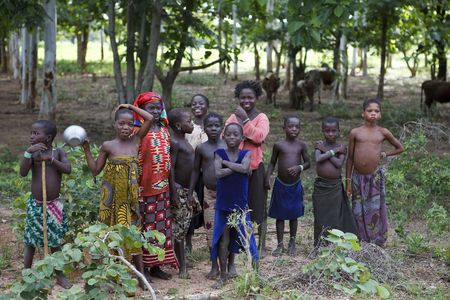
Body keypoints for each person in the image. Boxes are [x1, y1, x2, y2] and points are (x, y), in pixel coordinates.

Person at [82, 104, 153, 289]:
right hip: (111, 201)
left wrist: (130, 106)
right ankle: (113, 275)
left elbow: (151, 118)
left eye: (130, 124)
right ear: (114, 125)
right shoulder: (108, 146)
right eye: (121, 123)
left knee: (134, 234)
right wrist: (87, 149)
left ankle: (141, 276)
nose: (126, 127)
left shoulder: (136, 140)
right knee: (111, 235)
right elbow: (96, 170)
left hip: (130, 201)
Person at [20, 120, 72, 288]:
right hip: (36, 204)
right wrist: (28, 153)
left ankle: (59, 274)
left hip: (54, 206)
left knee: (55, 241)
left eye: (36, 133)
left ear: (48, 137)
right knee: (31, 241)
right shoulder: (32, 154)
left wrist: (51, 160)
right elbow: (22, 173)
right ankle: (26, 272)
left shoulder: (58, 152)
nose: (32, 136)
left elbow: (67, 169)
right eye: (32, 133)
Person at [132, 92, 178, 281]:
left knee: (161, 229)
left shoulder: (164, 130)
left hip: (163, 189)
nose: (156, 111)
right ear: (142, 110)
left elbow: (169, 163)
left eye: (159, 107)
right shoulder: (138, 133)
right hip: (144, 190)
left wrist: (172, 188)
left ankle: (157, 266)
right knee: (144, 228)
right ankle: (142, 269)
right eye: (151, 108)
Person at [346, 99, 404, 247]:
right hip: (357, 177)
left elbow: (400, 148)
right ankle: (360, 239)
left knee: (375, 208)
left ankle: (376, 240)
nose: (373, 113)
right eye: (369, 110)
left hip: (375, 177)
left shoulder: (383, 132)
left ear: (380, 114)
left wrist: (386, 154)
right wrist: (347, 182)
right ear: (362, 113)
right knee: (358, 208)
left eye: (376, 111)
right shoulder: (355, 133)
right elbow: (350, 158)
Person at [225, 80, 270, 253]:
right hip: (236, 170)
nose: (246, 101)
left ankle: (262, 245)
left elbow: (259, 137)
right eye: (243, 97)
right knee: (238, 207)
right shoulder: (232, 117)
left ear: (257, 98)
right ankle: (239, 242)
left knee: (258, 207)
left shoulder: (261, 117)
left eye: (250, 97)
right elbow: (226, 136)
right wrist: (243, 135)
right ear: (238, 98)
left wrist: (244, 121)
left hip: (255, 169)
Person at [212, 122, 259, 287]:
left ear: (242, 138)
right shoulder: (218, 153)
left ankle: (256, 274)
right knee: (223, 240)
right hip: (223, 204)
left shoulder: (246, 153)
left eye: (235, 135)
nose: (232, 137)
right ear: (223, 136)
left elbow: (246, 167)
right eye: (229, 134)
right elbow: (218, 173)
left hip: (240, 205)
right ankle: (223, 276)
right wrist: (238, 168)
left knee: (248, 238)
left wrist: (228, 164)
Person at [264, 115, 310, 256]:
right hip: (280, 184)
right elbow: (272, 162)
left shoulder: (301, 145)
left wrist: (299, 167)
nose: (294, 129)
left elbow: (308, 163)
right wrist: (268, 176)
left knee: (293, 215)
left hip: (295, 185)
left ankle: (292, 243)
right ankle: (279, 245)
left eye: (297, 127)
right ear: (284, 128)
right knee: (280, 216)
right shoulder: (279, 145)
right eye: (291, 126)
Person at [188, 112, 226, 279]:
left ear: (222, 127)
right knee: (210, 231)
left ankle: (228, 266)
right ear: (204, 128)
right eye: (210, 126)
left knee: (227, 231)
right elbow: (196, 170)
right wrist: (190, 192)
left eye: (217, 125)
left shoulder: (227, 146)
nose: (213, 128)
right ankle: (213, 266)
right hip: (208, 196)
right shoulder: (201, 148)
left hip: (227, 194)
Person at [312, 116, 358, 246]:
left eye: (333, 131)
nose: (330, 134)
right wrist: (333, 151)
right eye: (327, 131)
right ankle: (319, 244)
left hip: (335, 187)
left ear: (339, 131)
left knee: (335, 216)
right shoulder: (320, 146)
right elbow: (318, 159)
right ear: (322, 131)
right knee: (320, 216)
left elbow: (338, 163)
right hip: (321, 186)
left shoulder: (341, 147)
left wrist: (327, 151)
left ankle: (334, 244)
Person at [168, 108, 201, 279]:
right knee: (179, 230)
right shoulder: (175, 142)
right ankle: (182, 269)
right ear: (179, 125)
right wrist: (174, 192)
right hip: (179, 190)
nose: (192, 123)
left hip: (186, 189)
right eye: (189, 121)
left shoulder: (183, 140)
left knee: (183, 227)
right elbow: (171, 168)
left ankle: (179, 261)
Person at [185, 94, 209, 253]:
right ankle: (188, 242)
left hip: (207, 175)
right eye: (194, 103)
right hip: (190, 174)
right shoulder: (188, 127)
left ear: (208, 106)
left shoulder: (213, 126)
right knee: (189, 208)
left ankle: (211, 240)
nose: (197, 106)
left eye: (201, 103)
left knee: (207, 208)